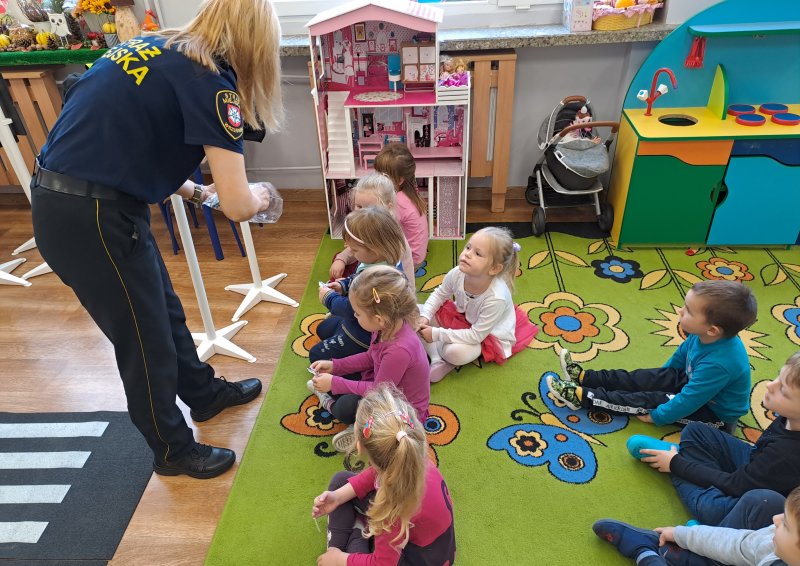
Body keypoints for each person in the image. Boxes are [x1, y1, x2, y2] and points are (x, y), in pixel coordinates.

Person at [28, 0, 284, 479]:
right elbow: (238, 206)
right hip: (92, 217)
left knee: (164, 313)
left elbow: (129, 143)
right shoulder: (210, 82)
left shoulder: (153, 47)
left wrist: (195, 191)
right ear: (254, 43)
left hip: (78, 203)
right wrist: (263, 196)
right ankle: (171, 450)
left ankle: (204, 394)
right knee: (145, 341)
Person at [548, 280, 758, 433]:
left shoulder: (720, 364)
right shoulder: (703, 334)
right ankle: (585, 378)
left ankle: (582, 397)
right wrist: (658, 379)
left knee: (647, 400)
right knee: (639, 378)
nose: (680, 312)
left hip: (712, 414)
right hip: (692, 383)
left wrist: (659, 415)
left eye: (688, 311)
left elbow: (691, 400)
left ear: (712, 330)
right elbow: (681, 356)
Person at [632, 352, 800, 527]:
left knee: (712, 510)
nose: (770, 385)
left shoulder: (786, 454)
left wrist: (675, 465)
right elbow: (753, 468)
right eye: (778, 377)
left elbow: (736, 485)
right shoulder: (792, 417)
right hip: (756, 470)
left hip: (760, 506)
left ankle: (706, 530)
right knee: (696, 430)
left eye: (783, 390)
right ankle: (683, 462)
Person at [311, 383, 456, 566]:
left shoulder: (392, 509)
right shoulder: (411, 458)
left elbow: (382, 564)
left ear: (359, 446)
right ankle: (345, 542)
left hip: (418, 558)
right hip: (432, 544)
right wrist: (338, 497)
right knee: (341, 482)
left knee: (354, 549)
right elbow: (374, 474)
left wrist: (341, 560)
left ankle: (353, 537)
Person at [309, 265, 428, 452]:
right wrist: (335, 366)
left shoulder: (399, 350)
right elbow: (370, 357)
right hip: (386, 388)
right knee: (341, 381)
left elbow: (378, 391)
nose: (355, 317)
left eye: (357, 314)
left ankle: (338, 412)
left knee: (344, 407)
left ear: (379, 318)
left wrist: (334, 383)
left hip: (403, 412)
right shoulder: (384, 328)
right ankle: (354, 416)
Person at [417, 226, 538, 383]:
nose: (467, 254)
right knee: (414, 312)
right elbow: (440, 294)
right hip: (463, 317)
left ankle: (438, 351)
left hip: (484, 335)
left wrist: (436, 334)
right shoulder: (457, 273)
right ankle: (436, 359)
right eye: (468, 247)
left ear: (494, 268)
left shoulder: (496, 298)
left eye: (477, 253)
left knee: (455, 353)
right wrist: (425, 316)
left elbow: (476, 335)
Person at [591, 485, 800, 566]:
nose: (775, 519)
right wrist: (680, 534)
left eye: (786, 525)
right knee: (762, 500)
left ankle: (646, 553)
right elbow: (734, 543)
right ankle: (668, 549)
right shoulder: (771, 540)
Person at [311, 207, 407, 367]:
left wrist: (329, 299)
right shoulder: (379, 261)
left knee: (315, 354)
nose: (352, 253)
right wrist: (343, 285)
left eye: (354, 250)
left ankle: (364, 369)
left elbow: (351, 309)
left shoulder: (378, 279)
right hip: (358, 321)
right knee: (322, 329)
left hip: (365, 333)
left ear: (375, 249)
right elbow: (357, 278)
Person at [329, 173, 415, 284]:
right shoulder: (364, 223)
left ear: (388, 207)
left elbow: (407, 271)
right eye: (359, 206)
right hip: (368, 264)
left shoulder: (390, 235)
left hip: (387, 281)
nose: (363, 212)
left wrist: (408, 291)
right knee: (338, 261)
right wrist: (341, 259)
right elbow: (354, 247)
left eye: (371, 208)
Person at [374, 142, 429, 269]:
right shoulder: (409, 192)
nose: (377, 179)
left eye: (383, 176)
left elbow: (380, 231)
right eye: (377, 173)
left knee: (365, 254)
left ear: (399, 180)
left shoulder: (397, 202)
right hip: (417, 254)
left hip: (410, 261)